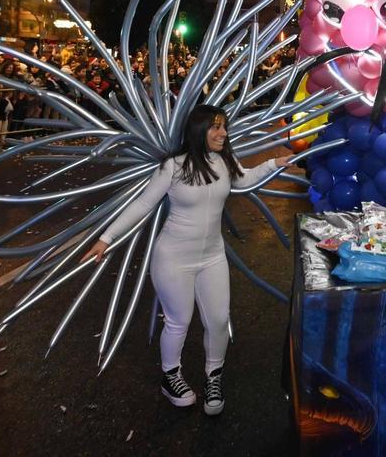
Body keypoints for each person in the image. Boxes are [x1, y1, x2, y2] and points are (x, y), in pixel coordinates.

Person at [82, 105, 290, 416]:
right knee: (179, 322)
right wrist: (106, 238)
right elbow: (143, 204)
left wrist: (275, 162)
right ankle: (171, 376)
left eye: (224, 127)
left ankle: (213, 377)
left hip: (212, 257)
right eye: (215, 127)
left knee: (219, 320)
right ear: (198, 130)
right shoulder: (173, 166)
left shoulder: (224, 161)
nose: (223, 133)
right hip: (173, 259)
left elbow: (244, 180)